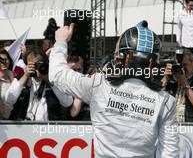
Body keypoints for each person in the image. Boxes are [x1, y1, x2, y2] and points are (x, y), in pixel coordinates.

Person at [49, 21, 179, 157]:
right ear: (153, 63)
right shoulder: (166, 101)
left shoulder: (98, 85)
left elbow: (57, 75)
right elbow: (170, 153)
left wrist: (60, 42)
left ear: (122, 58)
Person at [5, 48, 73, 121]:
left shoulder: (54, 79)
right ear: (26, 65)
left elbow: (67, 102)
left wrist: (47, 79)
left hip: (47, 128)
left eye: (39, 64)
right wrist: (25, 76)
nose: (36, 67)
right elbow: (8, 100)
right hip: (24, 127)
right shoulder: (21, 77)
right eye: (32, 65)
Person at [163, 49, 193, 122]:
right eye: (179, 65)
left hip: (191, 128)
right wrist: (165, 78)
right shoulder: (171, 80)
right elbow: (157, 99)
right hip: (171, 125)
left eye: (184, 65)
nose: (181, 68)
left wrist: (184, 83)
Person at [0, 49, 14, 119]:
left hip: (14, 117)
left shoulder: (13, 75)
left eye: (7, 59)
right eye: (2, 60)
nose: (5, 62)